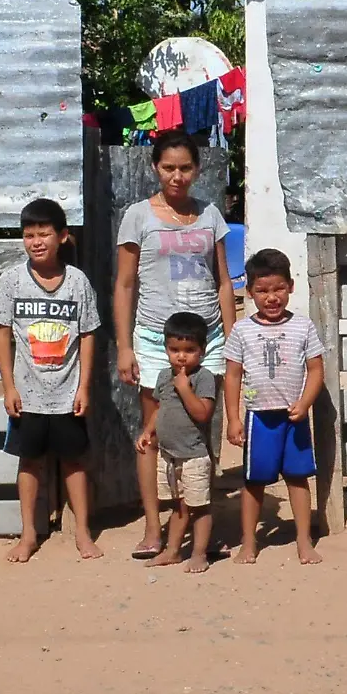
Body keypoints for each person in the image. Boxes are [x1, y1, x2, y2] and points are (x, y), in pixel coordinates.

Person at [115, 129, 238, 559]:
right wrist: (125, 346)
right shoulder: (138, 216)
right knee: (155, 433)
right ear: (155, 168)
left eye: (185, 167)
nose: (177, 176)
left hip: (208, 339)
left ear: (197, 169)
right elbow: (125, 284)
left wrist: (232, 335)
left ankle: (203, 522)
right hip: (154, 339)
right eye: (168, 167)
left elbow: (224, 282)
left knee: (201, 432)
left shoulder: (211, 216)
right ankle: (155, 527)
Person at [0, 198, 103, 562]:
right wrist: (9, 386)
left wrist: (84, 386)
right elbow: (2, 333)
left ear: (63, 236)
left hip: (69, 393)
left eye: (44, 234)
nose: (36, 242)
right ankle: (29, 534)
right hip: (28, 394)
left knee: (74, 461)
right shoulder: (11, 281)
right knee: (29, 462)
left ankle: (82, 533)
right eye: (28, 235)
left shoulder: (77, 282)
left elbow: (88, 334)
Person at [225, 247, 324, 565]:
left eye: (278, 288)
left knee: (297, 477)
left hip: (293, 418)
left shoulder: (304, 326)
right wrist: (233, 419)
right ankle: (249, 542)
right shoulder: (242, 330)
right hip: (259, 418)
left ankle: (303, 540)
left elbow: (316, 369)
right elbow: (232, 376)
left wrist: (306, 402)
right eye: (262, 290)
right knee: (254, 480)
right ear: (250, 292)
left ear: (291, 286)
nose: (271, 297)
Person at [137, 311, 220, 573]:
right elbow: (161, 408)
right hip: (168, 455)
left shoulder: (203, 378)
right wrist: (148, 431)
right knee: (177, 505)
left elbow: (203, 413)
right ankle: (173, 551)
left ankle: (199, 553)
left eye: (189, 350)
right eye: (174, 349)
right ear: (166, 348)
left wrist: (185, 388)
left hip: (193, 455)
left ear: (202, 350)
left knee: (199, 506)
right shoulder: (163, 376)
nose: (181, 356)